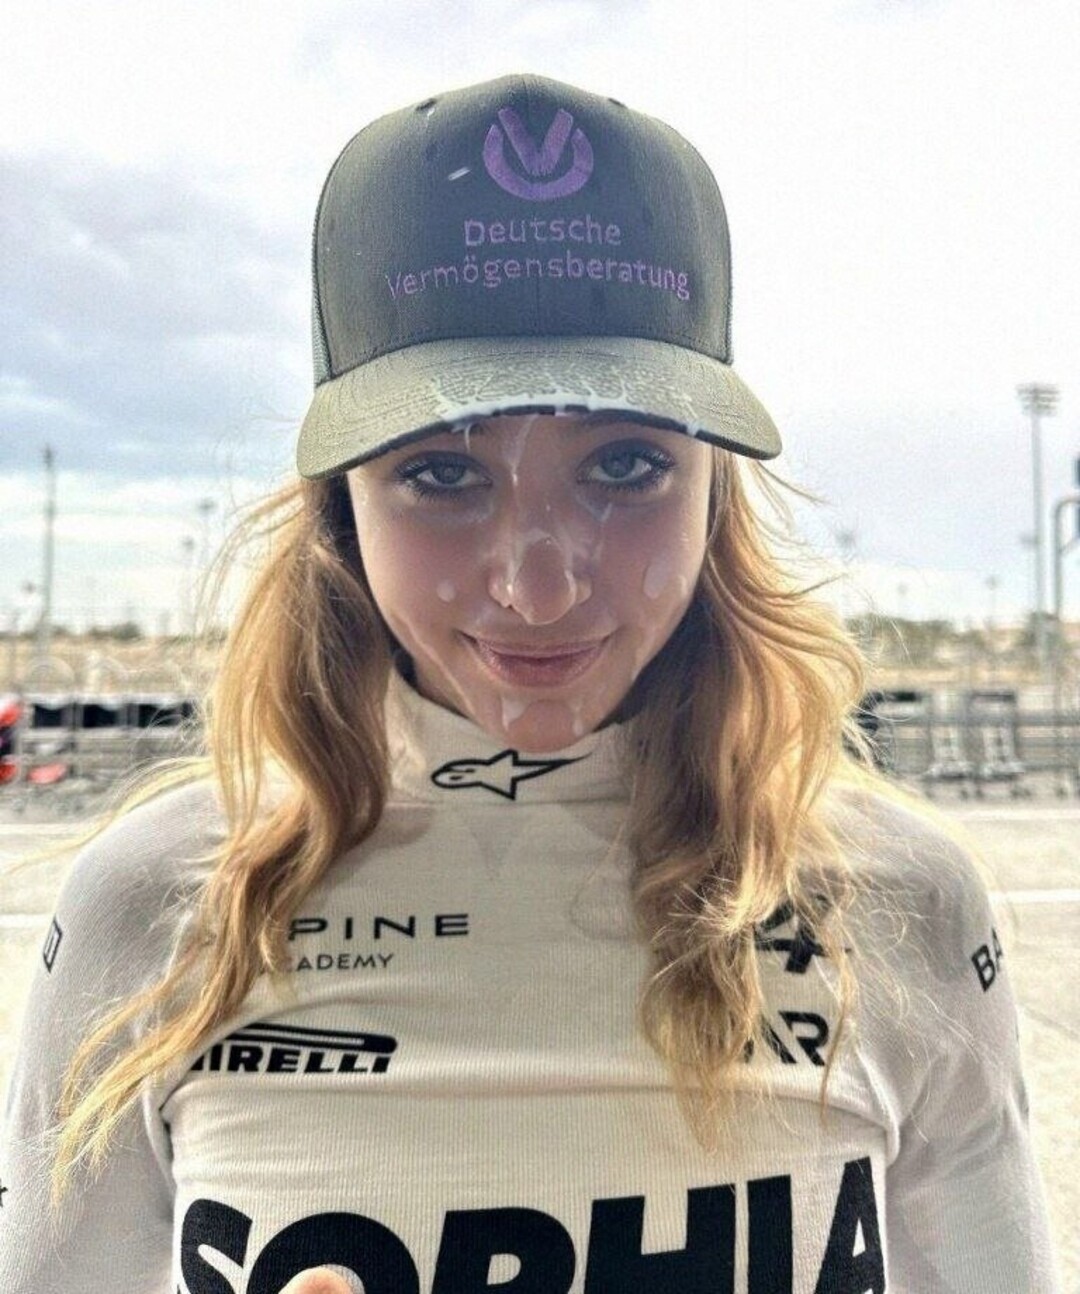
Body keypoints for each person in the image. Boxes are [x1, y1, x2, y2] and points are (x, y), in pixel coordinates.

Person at [0, 74, 1059, 1294]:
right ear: (340, 509)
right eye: (442, 475)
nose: (540, 587)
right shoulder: (150, 902)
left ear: (715, 493)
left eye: (626, 465)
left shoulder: (907, 902)